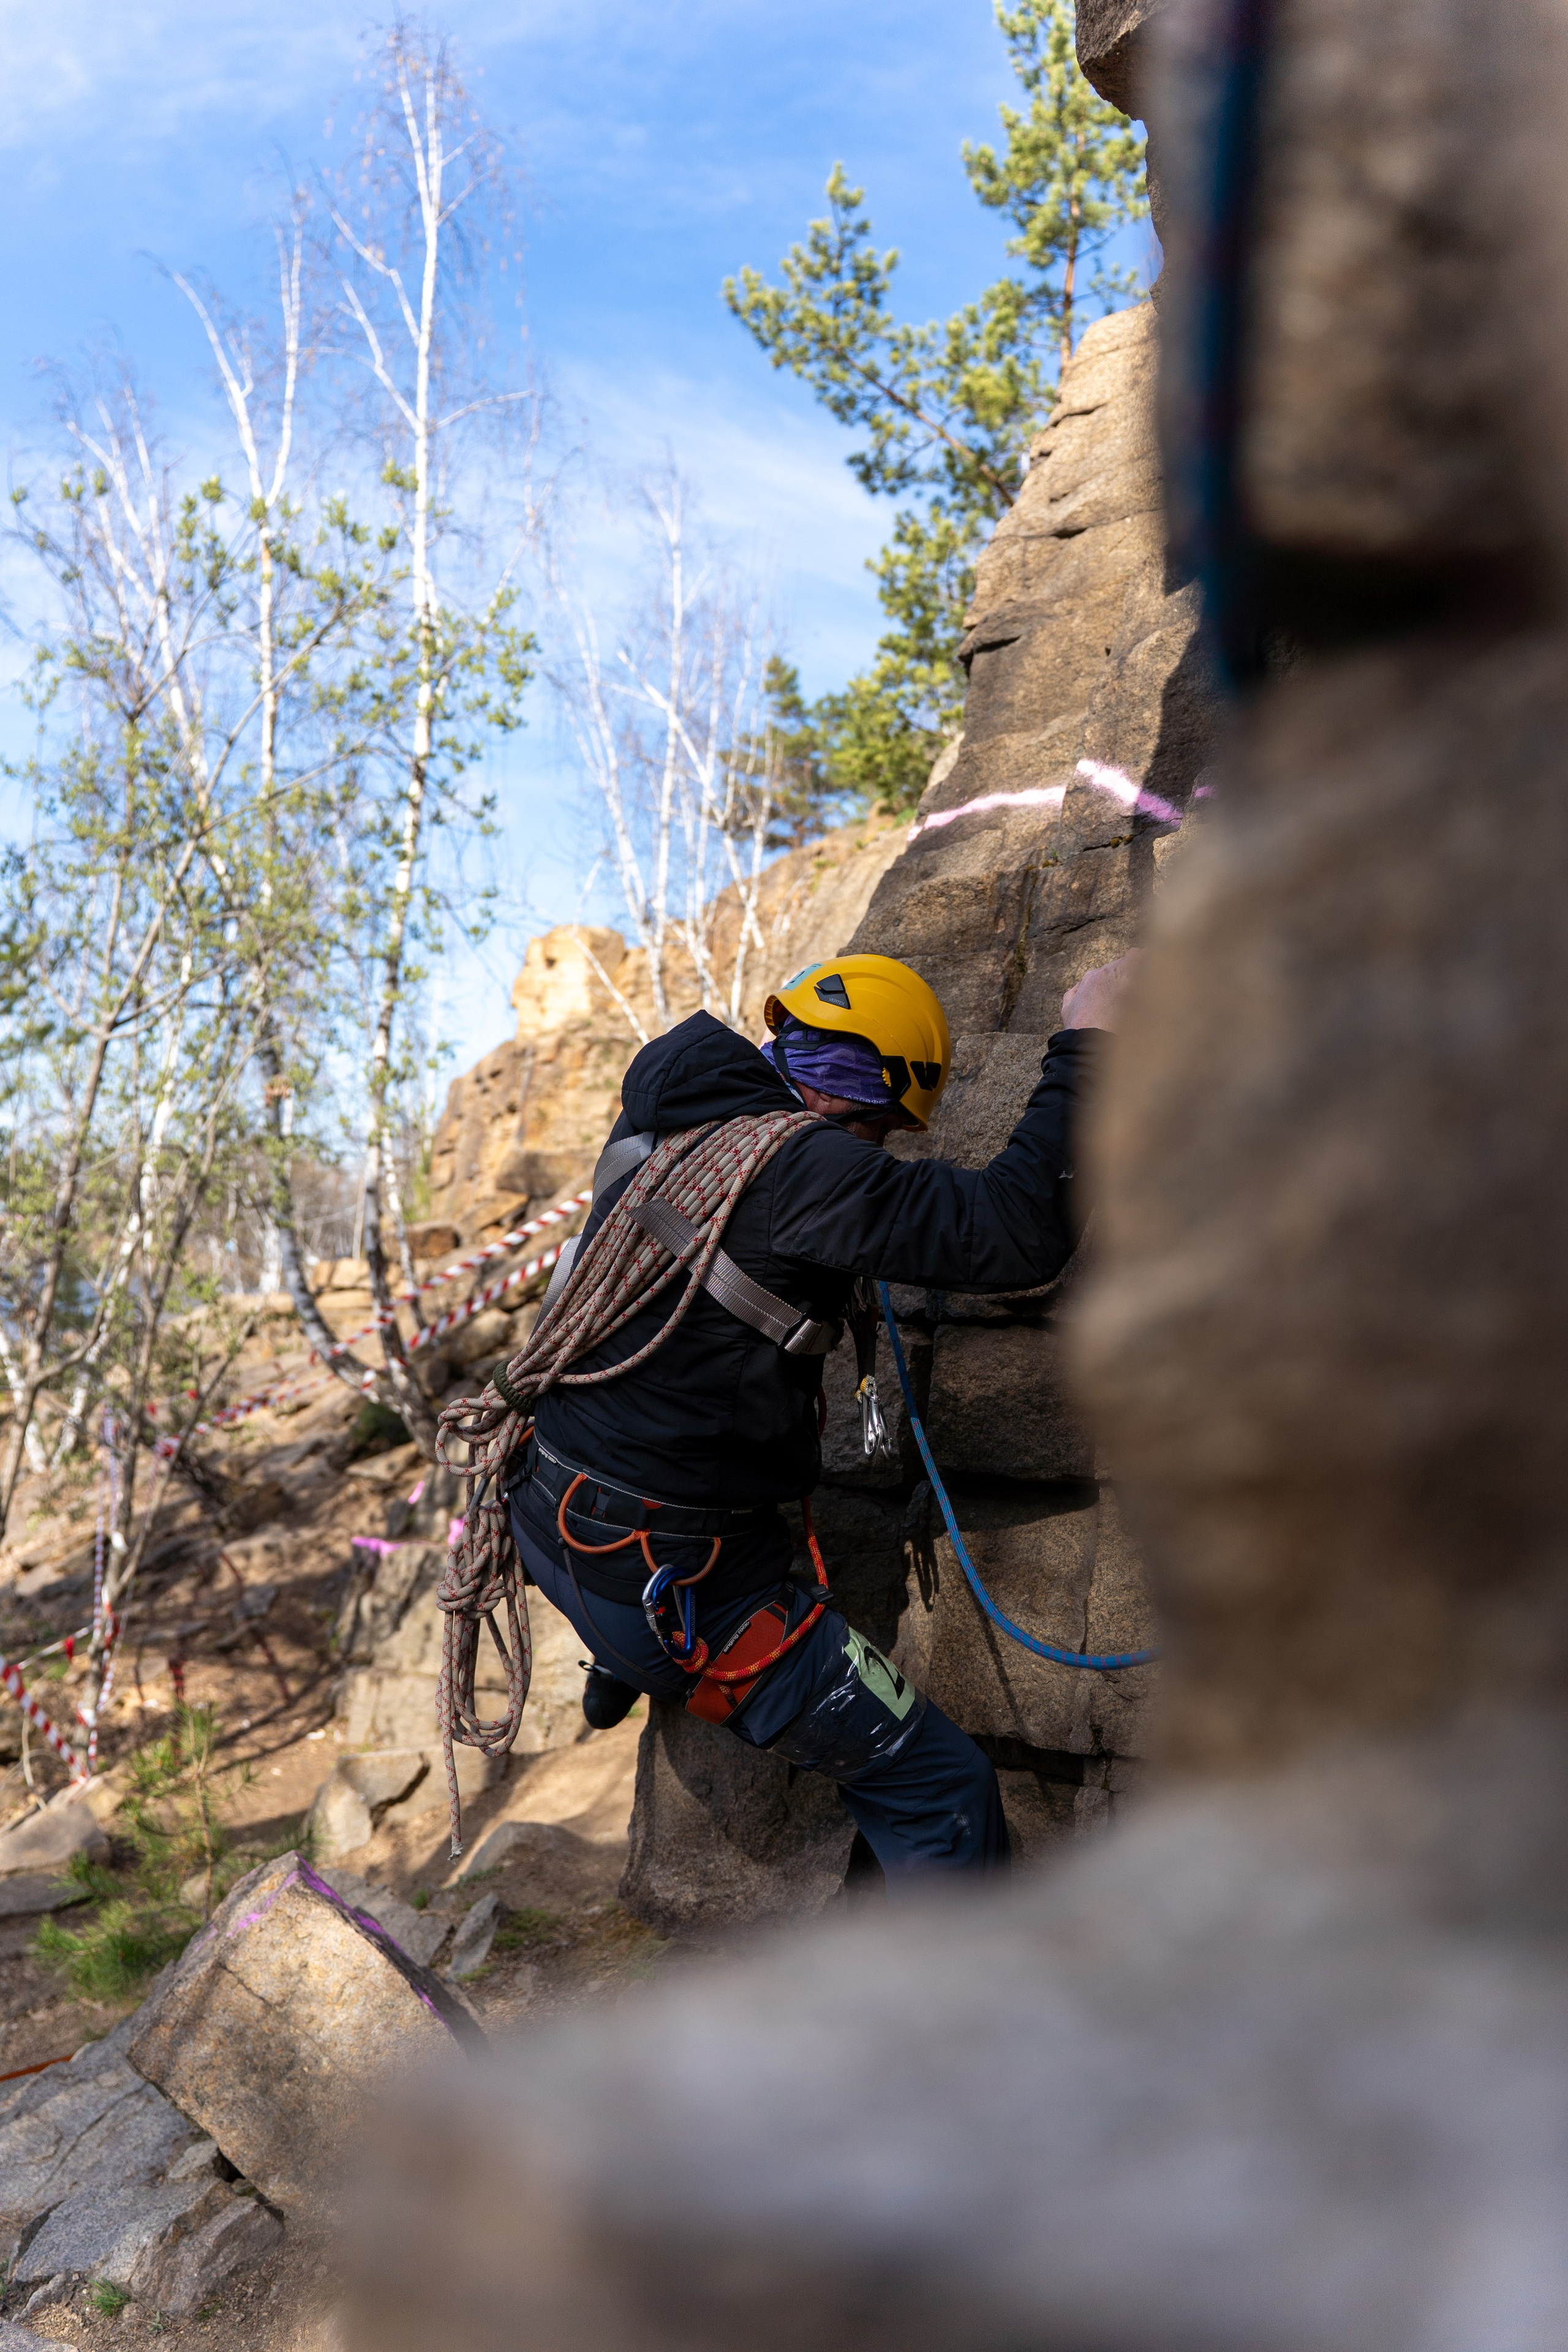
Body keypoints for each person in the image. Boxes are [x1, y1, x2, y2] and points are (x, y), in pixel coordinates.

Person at [504, 949, 1136, 1885]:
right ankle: (976, 2022)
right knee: (941, 1783)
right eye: (884, 1127)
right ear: (864, 1091)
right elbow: (1015, 1229)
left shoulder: (670, 1122)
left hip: (547, 1504)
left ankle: (620, 1656)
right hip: (668, 1575)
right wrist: (1090, 1040)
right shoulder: (808, 1170)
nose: (879, 1152)